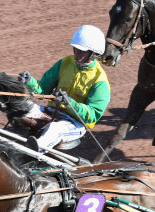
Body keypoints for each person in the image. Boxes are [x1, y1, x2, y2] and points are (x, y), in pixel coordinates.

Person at [14, 24, 111, 152]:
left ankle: (33, 153)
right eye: (75, 49)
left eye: (82, 51)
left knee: (54, 129)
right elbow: (43, 89)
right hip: (52, 111)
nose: (77, 54)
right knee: (19, 105)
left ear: (94, 53)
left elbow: (91, 116)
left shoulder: (100, 81)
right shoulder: (65, 62)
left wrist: (70, 103)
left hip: (75, 124)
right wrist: (29, 81)